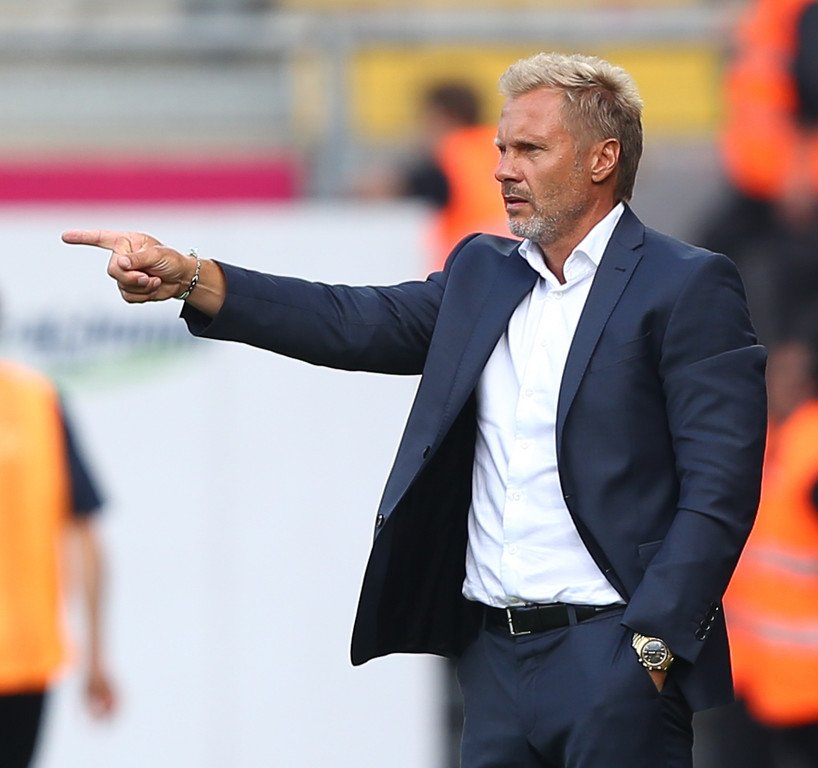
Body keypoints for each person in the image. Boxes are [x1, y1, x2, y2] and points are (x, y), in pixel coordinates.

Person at [62, 51, 767, 768]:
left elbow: (722, 486)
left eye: (529, 150)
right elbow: (348, 321)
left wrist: (653, 648)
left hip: (614, 658)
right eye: (501, 149)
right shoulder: (482, 273)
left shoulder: (685, 284)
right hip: (493, 664)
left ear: (601, 159)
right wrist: (192, 277)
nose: (503, 170)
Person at [696, 334, 818, 768]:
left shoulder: (810, 450)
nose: (778, 384)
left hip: (805, 682)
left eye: (790, 375)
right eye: (773, 373)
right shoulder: (763, 438)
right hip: (751, 670)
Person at [0, 360, 116, 767]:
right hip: (25, 655)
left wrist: (97, 656)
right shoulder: (37, 401)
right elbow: (87, 537)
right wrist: (96, 657)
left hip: (25, 657)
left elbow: (85, 537)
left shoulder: (40, 401)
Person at [697, 0, 818, 346]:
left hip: (794, 182)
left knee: (790, 293)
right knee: (708, 263)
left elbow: (810, 89)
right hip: (764, 177)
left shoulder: (802, 11)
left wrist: (796, 172)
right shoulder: (773, 10)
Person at [357, 81, 508, 272]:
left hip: (468, 268)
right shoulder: (499, 143)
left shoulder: (453, 151)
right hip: (513, 261)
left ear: (441, 118)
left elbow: (408, 183)